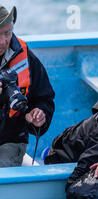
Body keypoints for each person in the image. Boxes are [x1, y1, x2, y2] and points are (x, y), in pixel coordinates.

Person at [0, 5, 55, 167]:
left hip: (10, 140)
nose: (3, 41)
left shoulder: (26, 57)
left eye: (7, 33)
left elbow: (44, 98)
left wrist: (39, 114)